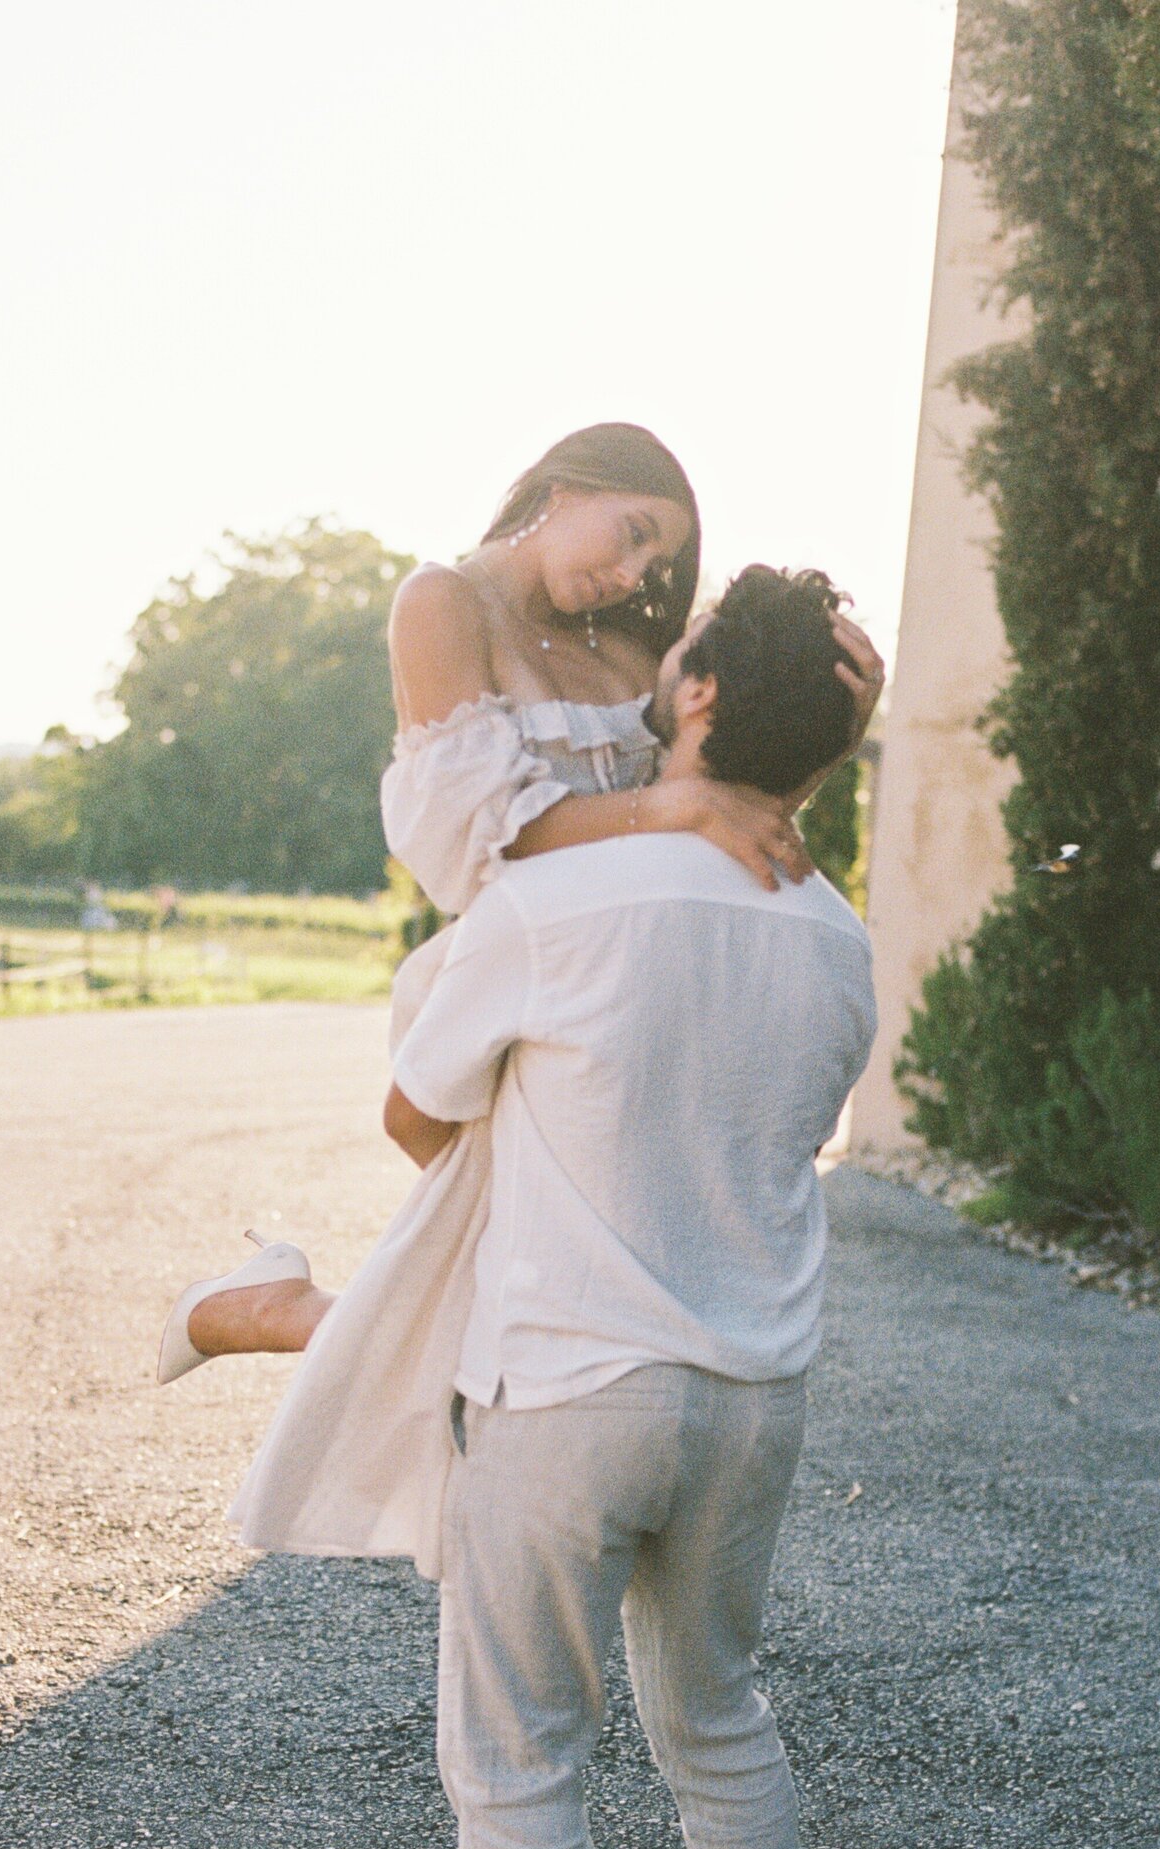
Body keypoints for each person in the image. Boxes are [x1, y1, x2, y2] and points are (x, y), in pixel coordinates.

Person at [158, 426, 882, 1575]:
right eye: (634, 533)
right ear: (567, 483)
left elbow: (721, 777)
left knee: (529, 1316)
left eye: (659, 566)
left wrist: (832, 730)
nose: (636, 576)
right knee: (524, 1319)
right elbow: (480, 835)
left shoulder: (628, 644)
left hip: (613, 988)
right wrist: (670, 816)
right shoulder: (441, 602)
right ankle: (280, 1315)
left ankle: (281, 1308)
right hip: (503, 972)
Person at [374, 561, 879, 1849]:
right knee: (713, 1698)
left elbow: (413, 1111)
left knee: (519, 1748)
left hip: (573, 1384)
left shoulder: (560, 901)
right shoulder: (837, 937)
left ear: (706, 698)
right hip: (755, 1396)